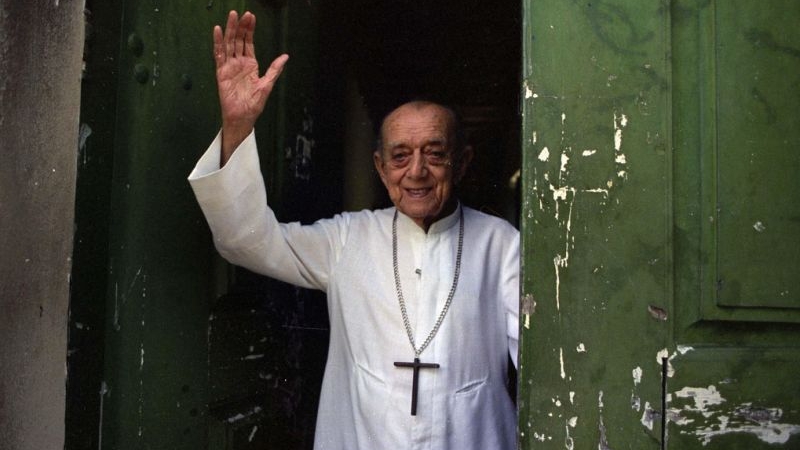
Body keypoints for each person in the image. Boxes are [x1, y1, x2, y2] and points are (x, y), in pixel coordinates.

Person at [189, 10, 519, 449]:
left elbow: (545, 361)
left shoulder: (502, 245)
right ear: (381, 169)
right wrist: (237, 126)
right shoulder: (347, 239)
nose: (416, 171)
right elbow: (245, 242)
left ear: (461, 163)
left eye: (434, 154)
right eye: (400, 157)